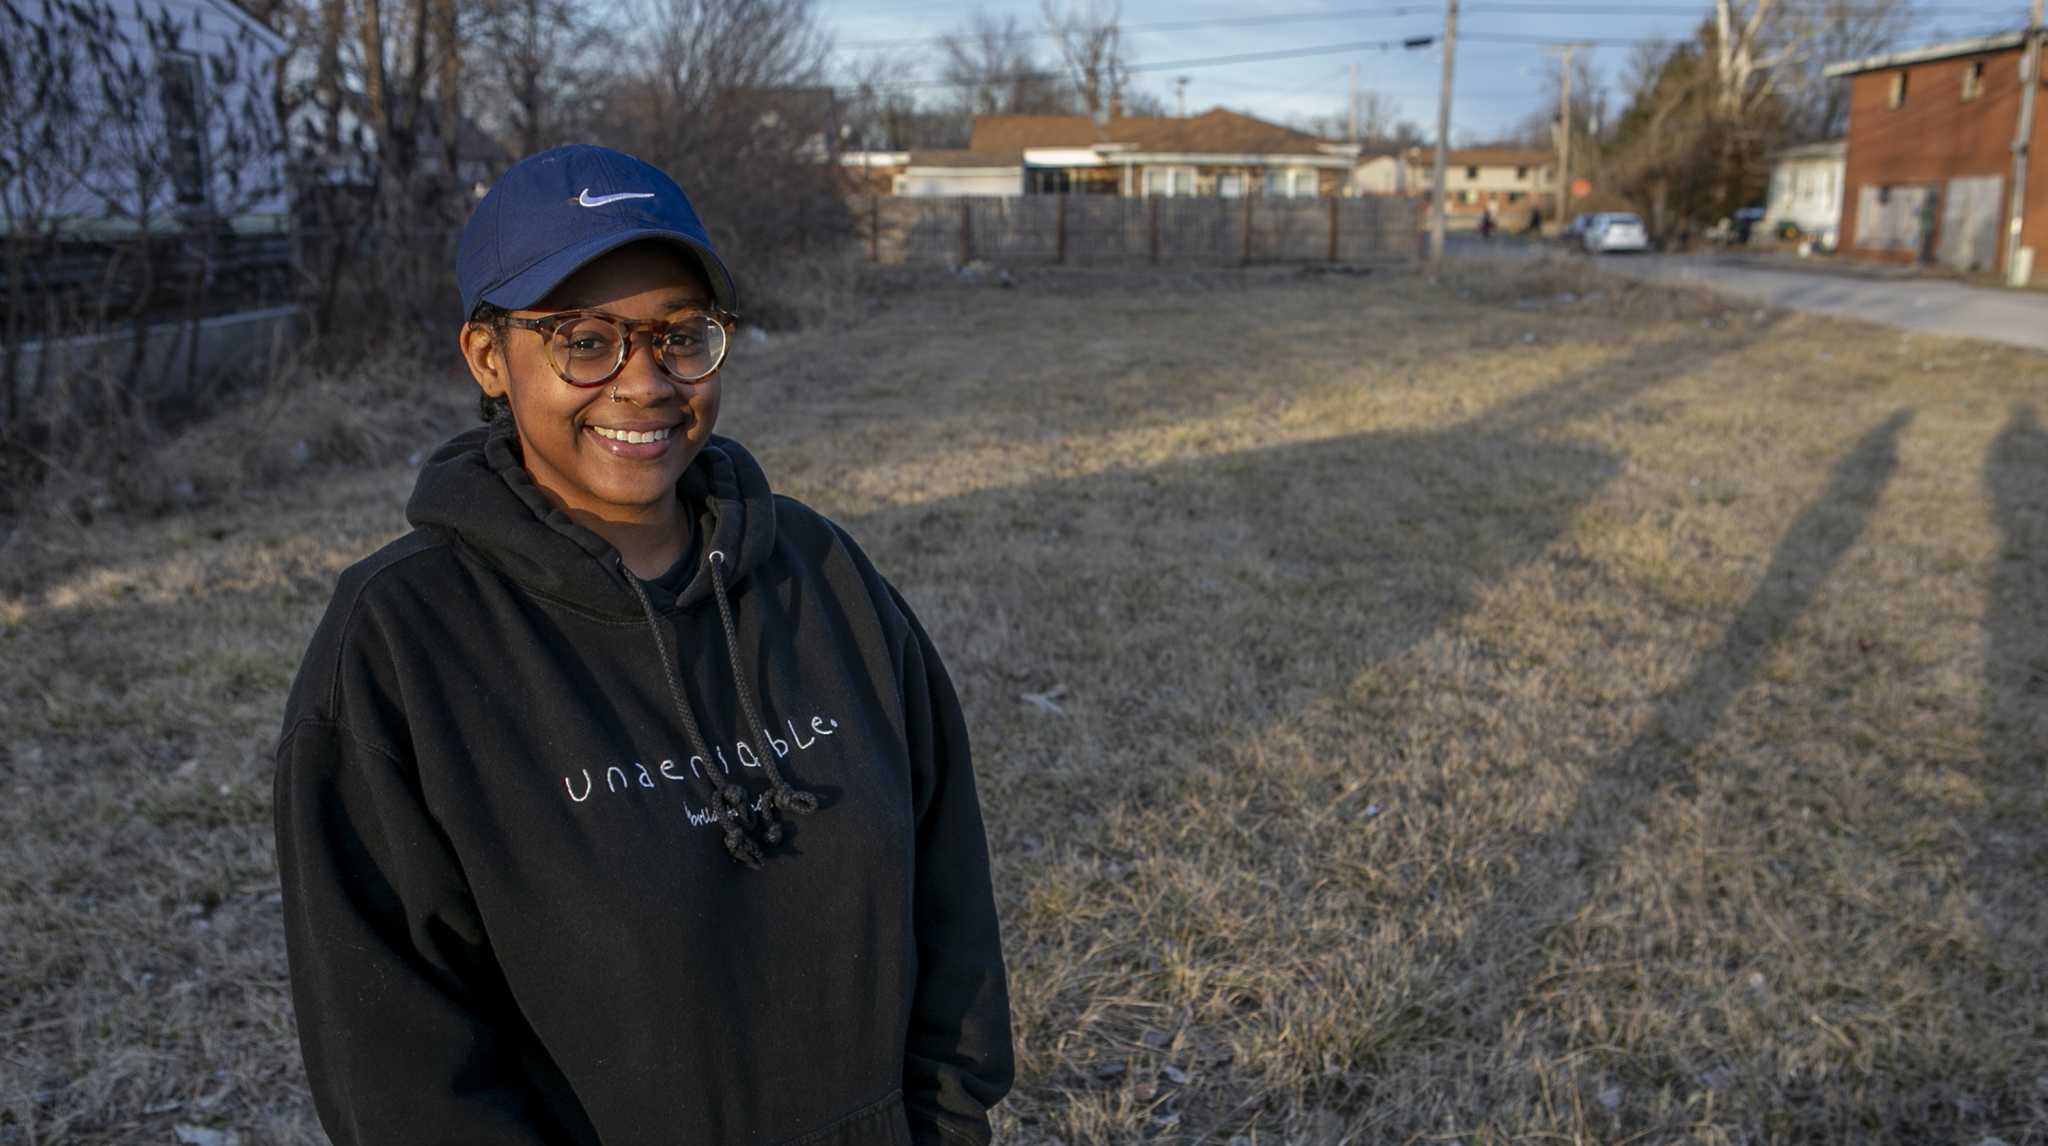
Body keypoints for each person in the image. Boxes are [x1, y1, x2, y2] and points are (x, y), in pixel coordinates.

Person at [272, 144, 1014, 1145]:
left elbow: (949, 895)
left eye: (681, 335)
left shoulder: (821, 573)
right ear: (489, 359)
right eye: (584, 341)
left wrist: (945, 1122)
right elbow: (399, 1064)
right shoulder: (403, 646)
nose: (644, 382)